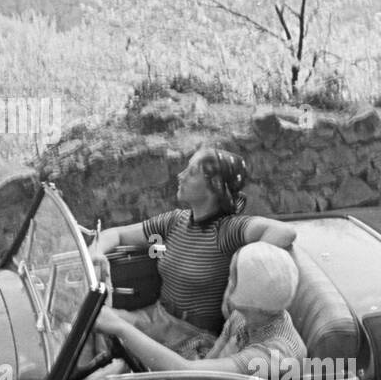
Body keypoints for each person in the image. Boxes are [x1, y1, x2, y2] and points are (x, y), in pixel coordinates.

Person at [86, 145, 295, 359]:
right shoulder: (175, 220)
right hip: (156, 316)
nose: (181, 176)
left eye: (192, 172)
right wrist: (96, 252)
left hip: (194, 337)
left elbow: (283, 232)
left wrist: (237, 276)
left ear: (215, 186)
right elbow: (117, 235)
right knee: (89, 323)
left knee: (118, 362)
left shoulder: (227, 230)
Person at [92, 241, 306, 378]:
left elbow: (188, 375)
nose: (227, 280)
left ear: (250, 296)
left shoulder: (272, 355)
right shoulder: (244, 316)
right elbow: (209, 363)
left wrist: (121, 328)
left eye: (233, 276)